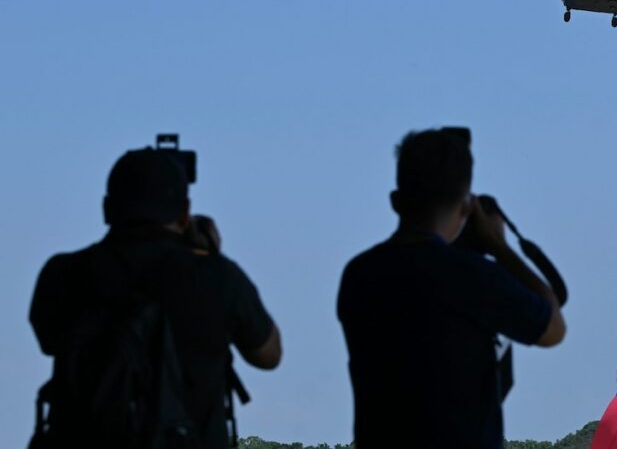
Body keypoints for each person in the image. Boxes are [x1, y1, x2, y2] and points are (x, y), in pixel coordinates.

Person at [30, 147, 282, 448]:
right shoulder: (219, 276)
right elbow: (268, 354)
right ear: (185, 213)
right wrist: (208, 254)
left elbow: (48, 339)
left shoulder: (62, 275)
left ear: (107, 209)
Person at [337, 127, 567, 448]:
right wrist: (499, 247)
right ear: (465, 206)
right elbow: (553, 329)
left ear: (395, 201)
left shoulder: (359, 275)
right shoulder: (472, 277)